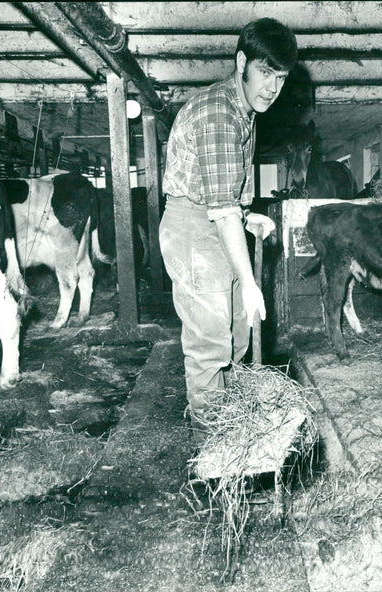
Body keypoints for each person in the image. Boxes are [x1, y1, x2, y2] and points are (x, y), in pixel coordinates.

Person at [159, 18, 298, 446]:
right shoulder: (220, 113)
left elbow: (226, 198)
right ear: (241, 63)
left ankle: (235, 428)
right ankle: (213, 449)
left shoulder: (245, 111)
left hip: (216, 220)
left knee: (238, 336)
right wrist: (253, 280)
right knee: (210, 346)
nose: (273, 87)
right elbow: (216, 210)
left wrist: (246, 214)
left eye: (281, 78)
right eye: (265, 73)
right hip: (192, 229)